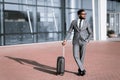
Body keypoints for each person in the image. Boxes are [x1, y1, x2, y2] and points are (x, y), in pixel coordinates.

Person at [62, 9, 92, 76]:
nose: (85, 15)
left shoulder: (87, 23)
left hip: (83, 42)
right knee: (75, 56)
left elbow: (90, 33)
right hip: (75, 41)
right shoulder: (73, 22)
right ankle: (82, 69)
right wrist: (65, 40)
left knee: (82, 57)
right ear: (79, 15)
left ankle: (80, 70)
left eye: (85, 14)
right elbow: (69, 31)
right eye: (83, 14)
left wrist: (87, 40)